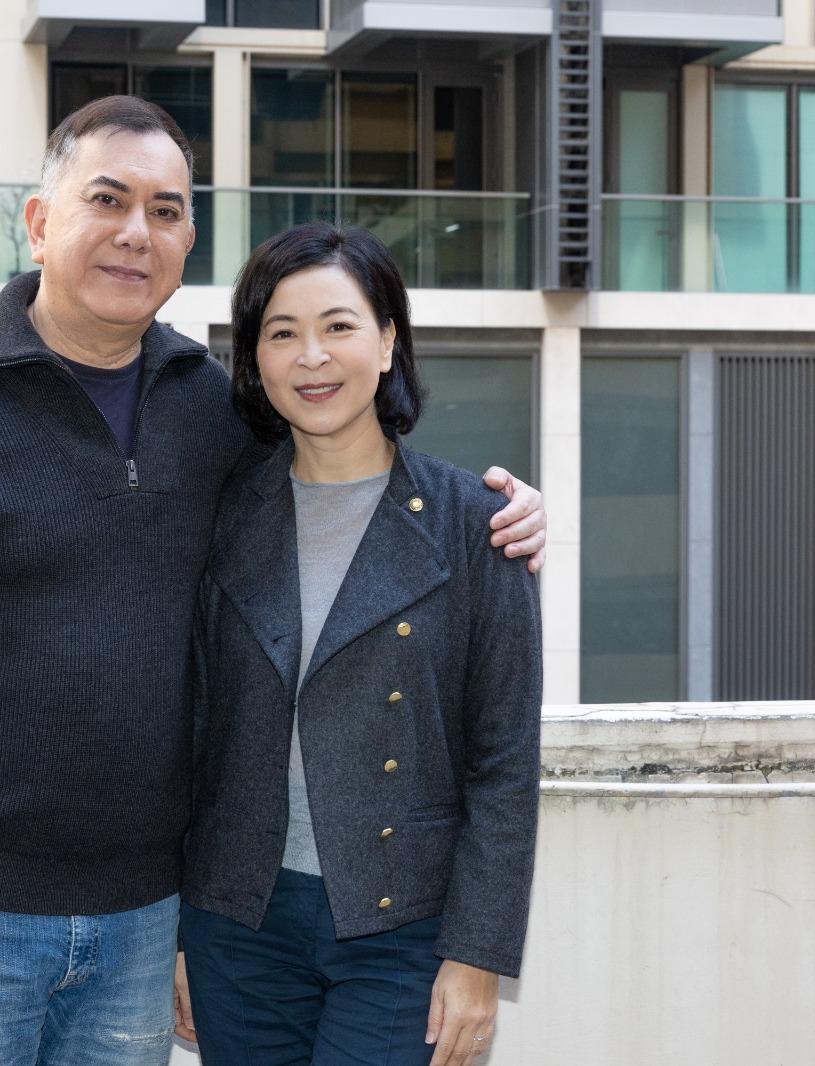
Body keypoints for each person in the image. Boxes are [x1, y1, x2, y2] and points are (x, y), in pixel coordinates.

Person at [0, 97, 547, 1066]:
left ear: (188, 239)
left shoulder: (210, 414)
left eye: (164, 210)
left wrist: (510, 508)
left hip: (148, 918)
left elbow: (352, 466)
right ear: (39, 221)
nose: (135, 233)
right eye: (107, 200)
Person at [174, 222, 542, 1066]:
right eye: (282, 333)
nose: (312, 357)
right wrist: (179, 932)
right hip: (237, 924)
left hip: (402, 926)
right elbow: (188, 729)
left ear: (386, 342)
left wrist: (478, 955)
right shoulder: (220, 517)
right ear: (254, 360)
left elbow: (504, 761)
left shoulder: (476, 524)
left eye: (338, 326)